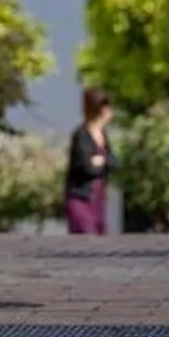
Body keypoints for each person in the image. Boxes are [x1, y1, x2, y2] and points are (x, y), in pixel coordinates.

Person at [65, 88, 114, 235]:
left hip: (98, 198)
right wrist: (98, 164)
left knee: (98, 237)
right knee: (87, 234)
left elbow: (113, 161)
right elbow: (85, 166)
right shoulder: (81, 135)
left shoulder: (103, 135)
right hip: (81, 197)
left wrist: (101, 161)